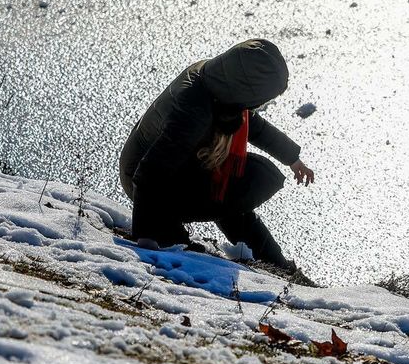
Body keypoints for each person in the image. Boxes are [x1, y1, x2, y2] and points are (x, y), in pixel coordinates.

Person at [119, 39, 314, 272]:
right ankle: (173, 233)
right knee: (250, 181)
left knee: (232, 184)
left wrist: (293, 158)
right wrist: (148, 235)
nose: (259, 104)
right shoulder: (194, 112)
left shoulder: (215, 81)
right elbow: (152, 171)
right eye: (261, 98)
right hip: (147, 186)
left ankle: (275, 262)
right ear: (247, 89)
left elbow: (253, 124)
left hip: (166, 172)